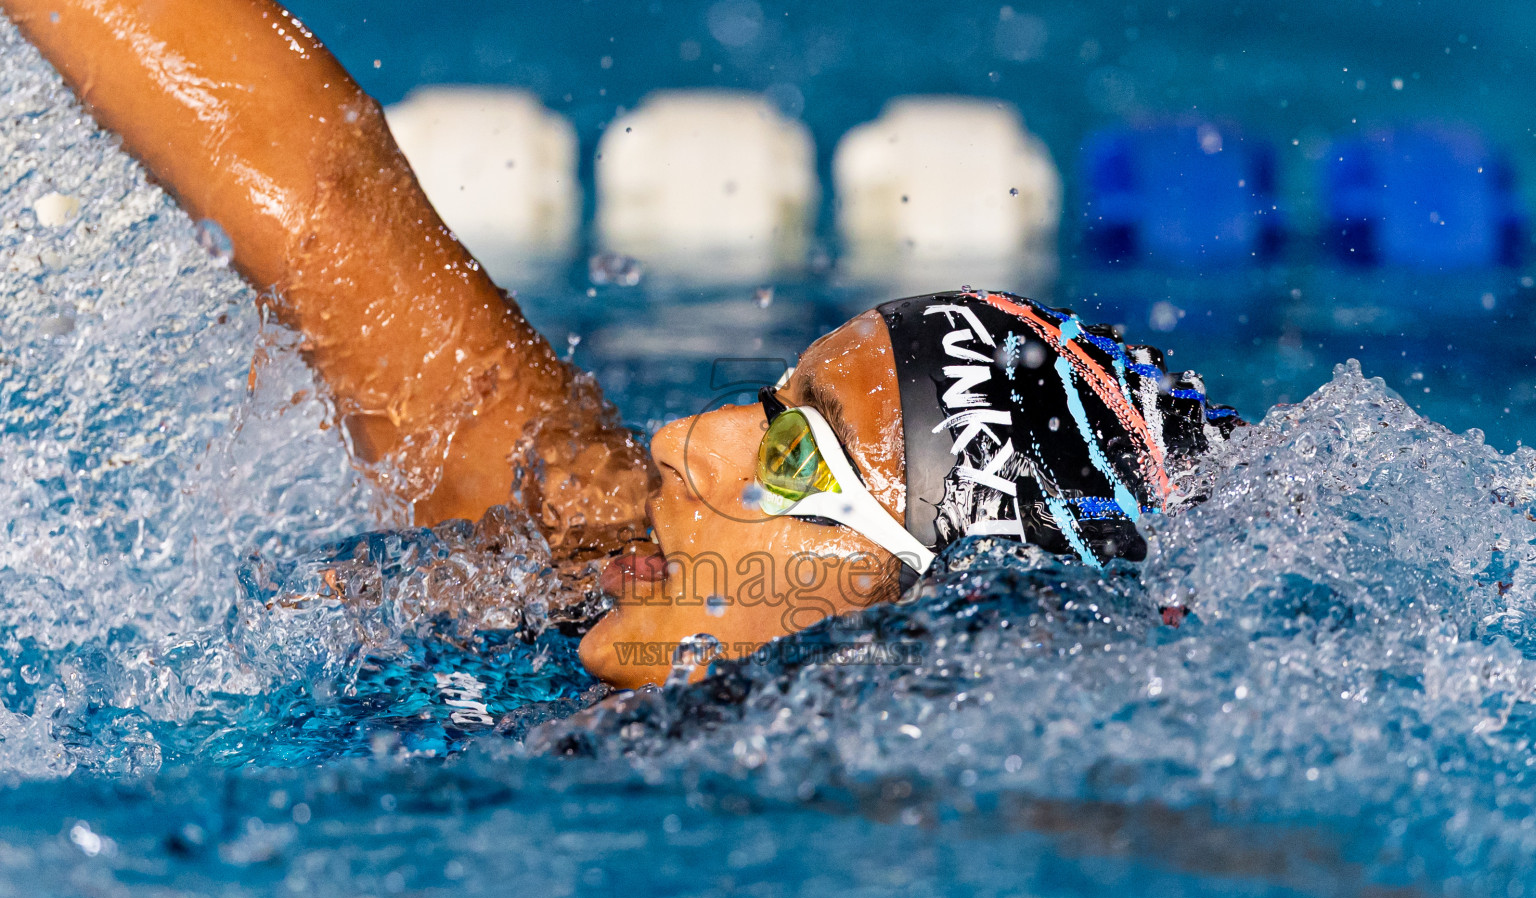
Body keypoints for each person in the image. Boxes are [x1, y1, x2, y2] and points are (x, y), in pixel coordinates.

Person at [2, 0, 1238, 689]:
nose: (688, 441)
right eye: (771, 403)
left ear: (932, 613)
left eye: (796, 457)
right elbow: (326, 197)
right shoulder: (575, 557)